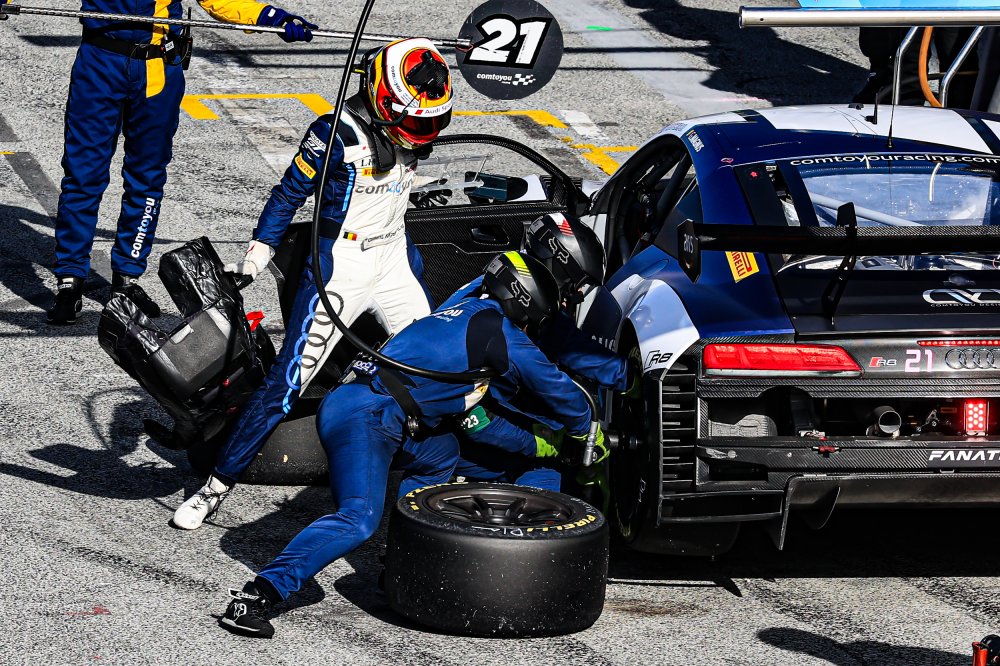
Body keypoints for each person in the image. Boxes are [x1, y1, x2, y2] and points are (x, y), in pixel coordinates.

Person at [218, 252, 600, 638]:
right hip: (364, 415)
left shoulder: (464, 313)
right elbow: (558, 389)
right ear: (523, 301)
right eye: (535, 319)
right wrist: (586, 431)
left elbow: (478, 423)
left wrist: (539, 445)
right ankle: (257, 595)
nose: (532, 329)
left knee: (441, 455)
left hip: (382, 413)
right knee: (358, 518)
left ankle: (399, 568)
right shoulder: (499, 333)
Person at [172, 37, 454, 530]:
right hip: (340, 268)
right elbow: (288, 194)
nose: (422, 134)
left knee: (441, 361)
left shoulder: (410, 116)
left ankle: (443, 468)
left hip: (393, 259)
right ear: (382, 99)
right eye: (415, 122)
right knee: (286, 384)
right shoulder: (333, 134)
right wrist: (258, 253)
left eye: (432, 123)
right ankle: (215, 486)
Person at [47, 0, 317, 325]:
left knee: (146, 180)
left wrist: (271, 18)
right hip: (99, 62)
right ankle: (69, 280)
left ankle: (126, 280)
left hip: (157, 70)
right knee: (82, 176)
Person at [446, 214, 637, 497]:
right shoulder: (524, 308)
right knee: (550, 469)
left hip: (462, 411)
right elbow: (569, 358)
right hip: (465, 425)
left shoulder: (500, 285)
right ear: (557, 265)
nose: (576, 295)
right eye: (574, 285)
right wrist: (632, 381)